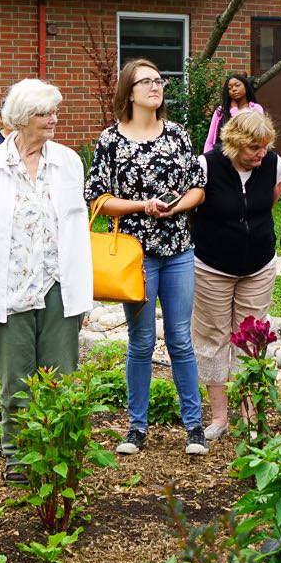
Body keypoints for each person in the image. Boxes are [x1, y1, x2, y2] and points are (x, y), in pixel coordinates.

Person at [0, 79, 92, 483]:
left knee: (60, 376)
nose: (53, 119)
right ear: (20, 120)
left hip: (58, 284)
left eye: (55, 111)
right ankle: (18, 461)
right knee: (15, 379)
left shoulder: (69, 161)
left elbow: (75, 226)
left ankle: (60, 457)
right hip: (10, 287)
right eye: (43, 113)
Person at [85, 59, 208, 456]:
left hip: (178, 251)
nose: (156, 87)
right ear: (129, 91)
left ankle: (194, 428)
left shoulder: (178, 134)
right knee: (140, 342)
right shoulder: (111, 140)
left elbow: (198, 188)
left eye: (160, 80)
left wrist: (175, 208)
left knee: (180, 339)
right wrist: (142, 206)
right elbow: (98, 199)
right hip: (133, 257)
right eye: (147, 81)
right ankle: (136, 428)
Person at [191, 107, 281, 440]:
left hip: (258, 266)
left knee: (251, 340)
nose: (260, 154)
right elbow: (193, 209)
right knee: (212, 338)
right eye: (253, 149)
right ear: (234, 143)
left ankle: (249, 417)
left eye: (264, 147)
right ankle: (219, 418)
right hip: (211, 267)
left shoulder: (274, 165)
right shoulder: (207, 165)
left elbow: (272, 198)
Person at [202, 73, 262, 154]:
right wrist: (207, 158)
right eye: (229, 88)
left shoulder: (255, 109)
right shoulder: (221, 111)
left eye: (237, 85)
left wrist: (234, 110)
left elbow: (245, 132)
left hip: (245, 157)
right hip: (220, 156)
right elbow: (210, 140)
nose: (233, 89)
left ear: (246, 87)